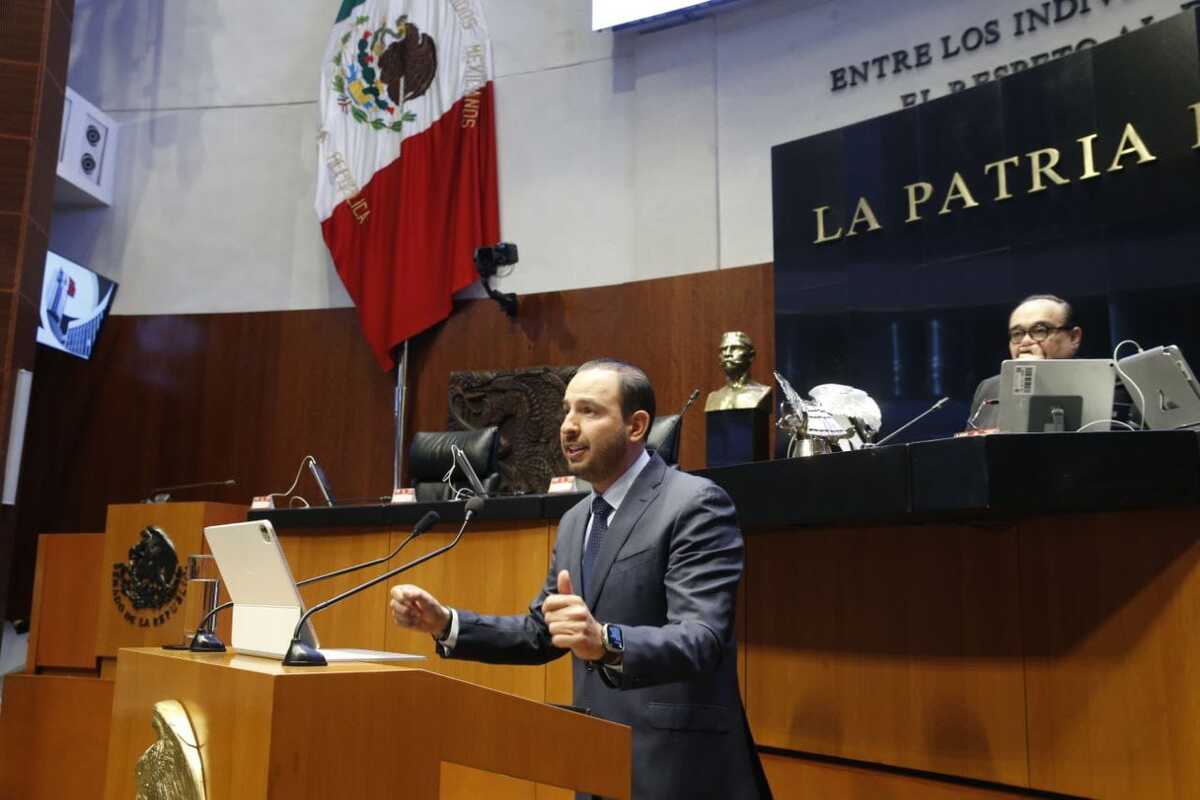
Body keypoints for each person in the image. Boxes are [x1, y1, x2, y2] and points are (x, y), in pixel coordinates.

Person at [389, 358, 771, 799]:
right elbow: (542, 633)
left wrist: (606, 641)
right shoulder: (576, 520)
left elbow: (701, 638)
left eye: (589, 411)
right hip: (596, 760)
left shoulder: (695, 504)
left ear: (636, 426)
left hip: (680, 771)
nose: (568, 426)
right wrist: (447, 624)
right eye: (567, 411)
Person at [967, 294, 1081, 431]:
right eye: (1017, 333)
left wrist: (1041, 378)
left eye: (1040, 331)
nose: (1025, 341)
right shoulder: (990, 387)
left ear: (1074, 337)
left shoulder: (1101, 383)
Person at [704, 331, 772, 411]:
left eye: (735, 348)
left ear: (751, 356)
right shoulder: (713, 398)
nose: (727, 354)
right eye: (723, 349)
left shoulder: (763, 393)